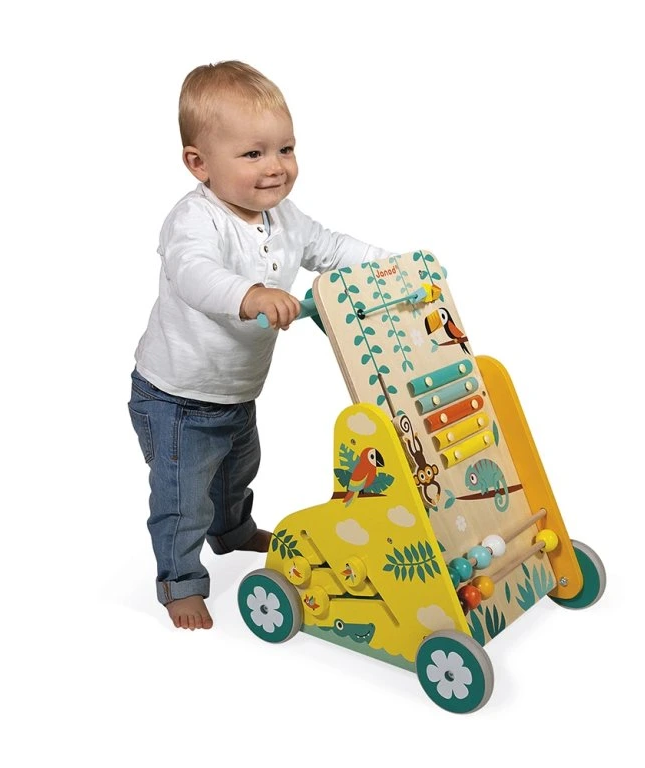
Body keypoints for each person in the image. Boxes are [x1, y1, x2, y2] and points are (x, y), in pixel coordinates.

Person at [128, 61, 393, 630]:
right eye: (253, 154)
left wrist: (389, 265)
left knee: (237, 469)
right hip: (177, 397)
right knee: (183, 497)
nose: (275, 166)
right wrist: (250, 294)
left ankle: (233, 531)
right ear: (199, 163)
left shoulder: (283, 217)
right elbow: (194, 274)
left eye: (285, 149)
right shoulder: (195, 221)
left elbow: (330, 248)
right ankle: (179, 582)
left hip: (236, 390)